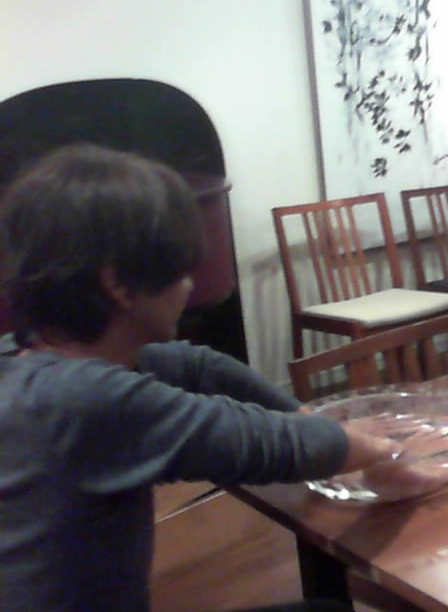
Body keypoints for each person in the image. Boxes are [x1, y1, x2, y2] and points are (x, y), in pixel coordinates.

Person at [0, 145, 407, 612]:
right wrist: (389, 448)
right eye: (178, 271)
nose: (189, 286)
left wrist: (304, 414)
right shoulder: (79, 400)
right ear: (117, 284)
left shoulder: (28, 359)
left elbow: (200, 367)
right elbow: (273, 445)